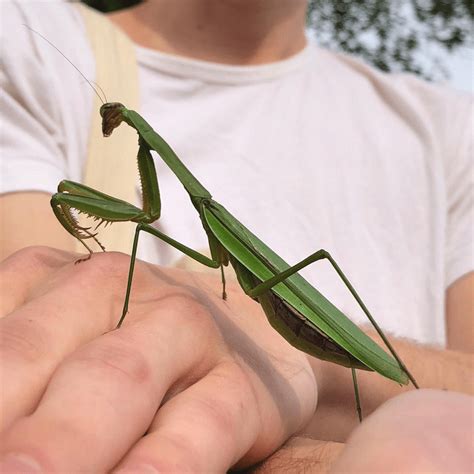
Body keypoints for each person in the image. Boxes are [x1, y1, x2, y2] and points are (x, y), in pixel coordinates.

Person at [0, 0, 472, 471]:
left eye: (118, 118)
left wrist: (322, 374)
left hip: (318, 342)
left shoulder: (448, 128)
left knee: (318, 258)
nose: (112, 124)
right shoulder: (22, 37)